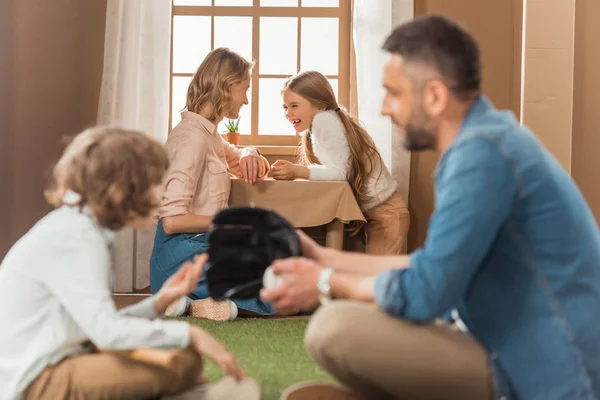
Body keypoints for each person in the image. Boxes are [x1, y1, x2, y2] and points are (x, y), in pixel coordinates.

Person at [263, 15, 600, 400]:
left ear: (435, 96)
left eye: (394, 93)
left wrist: (325, 283)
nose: (386, 108)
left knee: (333, 329)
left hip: (544, 371)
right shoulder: (484, 143)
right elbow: (429, 265)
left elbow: (426, 292)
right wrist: (326, 259)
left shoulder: (482, 157)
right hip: (505, 343)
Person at [0, 127, 260, 400]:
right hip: (34, 380)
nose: (162, 195)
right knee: (183, 364)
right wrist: (190, 333)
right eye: (157, 182)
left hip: (52, 361)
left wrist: (160, 302)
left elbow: (100, 325)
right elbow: (107, 334)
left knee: (181, 360)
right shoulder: (78, 236)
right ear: (125, 187)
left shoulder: (77, 227)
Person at [150, 47, 293, 320]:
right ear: (227, 87)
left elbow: (242, 162)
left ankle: (189, 305)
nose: (246, 101)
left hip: (204, 249)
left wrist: (251, 152)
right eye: (245, 89)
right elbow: (171, 221)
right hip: (181, 254)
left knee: (287, 279)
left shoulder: (211, 135)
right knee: (284, 293)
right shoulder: (192, 138)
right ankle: (189, 300)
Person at [271, 71, 410, 255]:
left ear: (319, 105)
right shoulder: (325, 122)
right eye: (285, 107)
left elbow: (340, 173)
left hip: (387, 214)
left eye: (294, 106)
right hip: (383, 214)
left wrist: (298, 171)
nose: (288, 113)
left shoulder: (326, 122)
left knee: (378, 280)